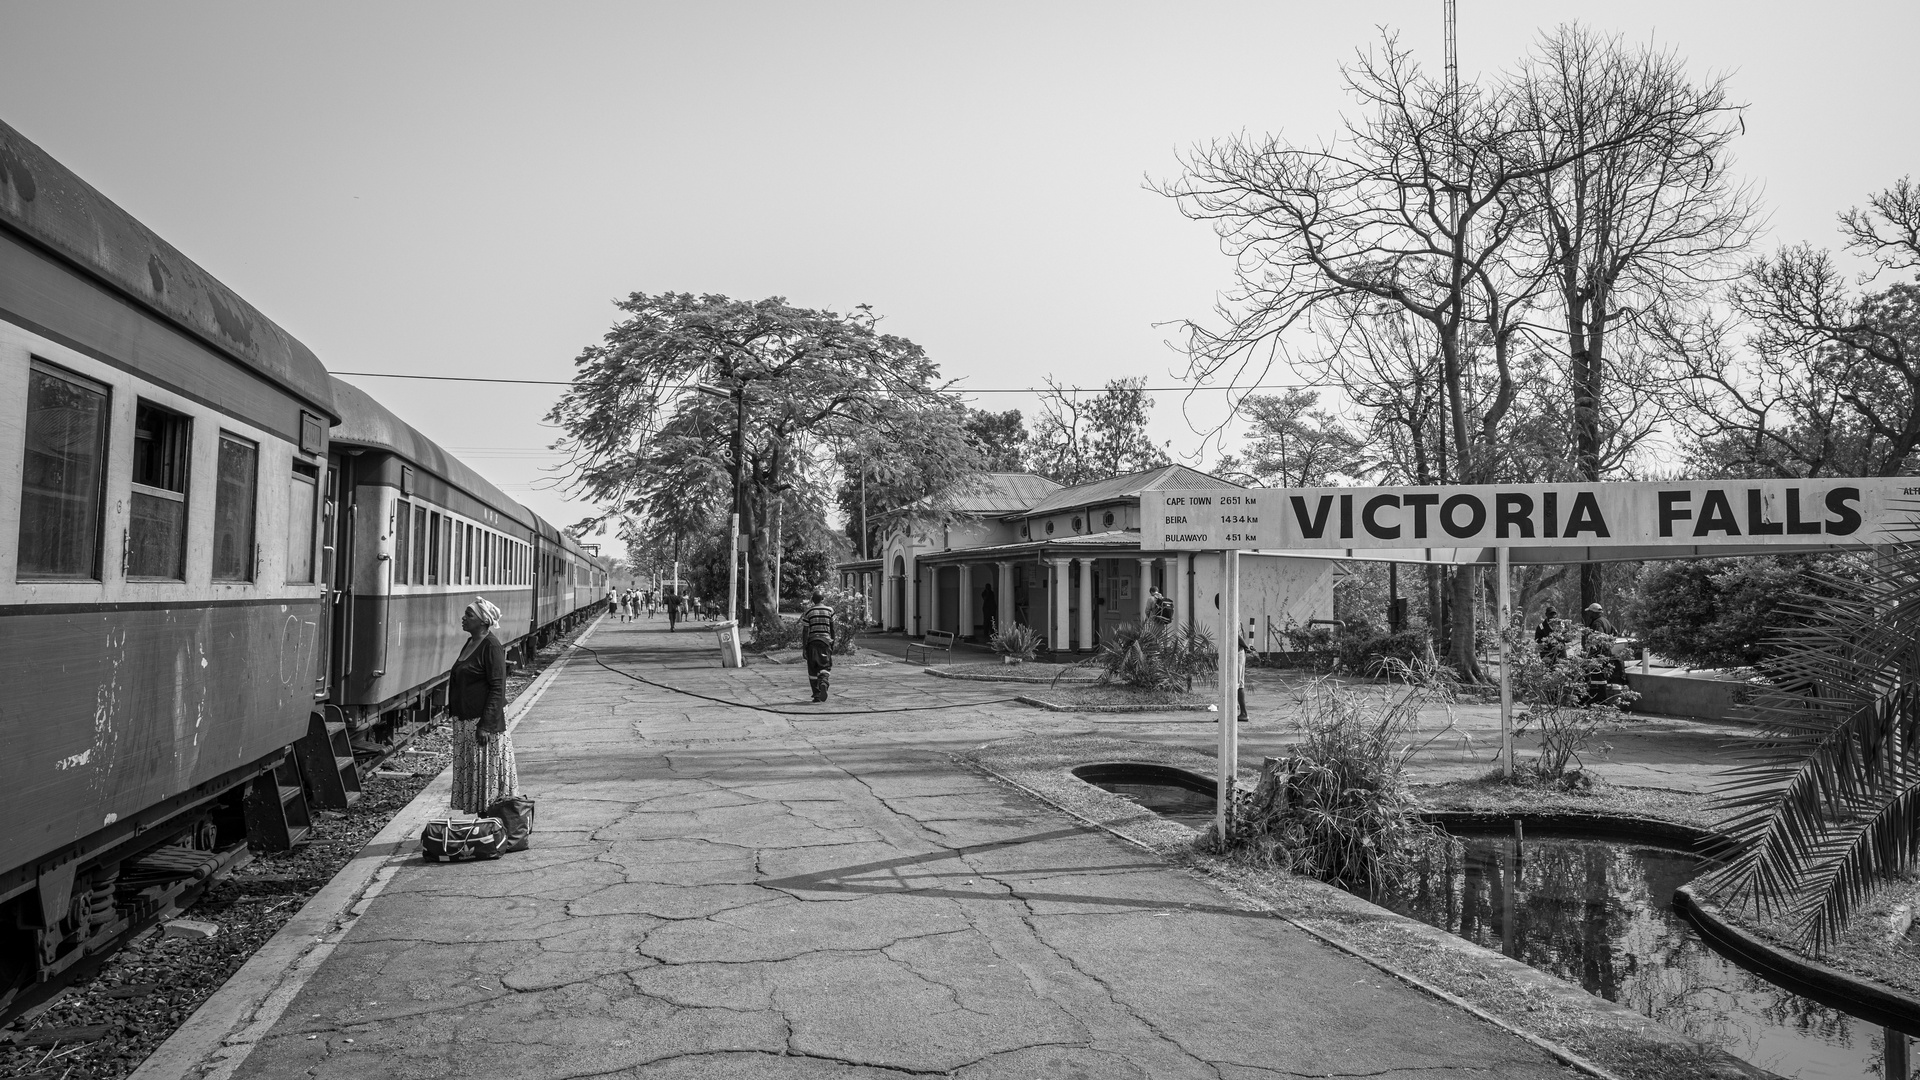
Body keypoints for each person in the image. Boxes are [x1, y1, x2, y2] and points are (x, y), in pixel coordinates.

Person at [448, 597, 520, 815]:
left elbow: (498, 688)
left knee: (487, 776)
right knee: (478, 775)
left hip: (483, 724)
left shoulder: (491, 646)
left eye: (469, 615)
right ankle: (485, 823)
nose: (463, 618)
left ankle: (494, 823)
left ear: (483, 621)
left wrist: (486, 726)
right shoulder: (472, 642)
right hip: (468, 722)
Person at [802, 589, 836, 702]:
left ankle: (816, 694)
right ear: (823, 599)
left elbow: (805, 631)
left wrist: (804, 647)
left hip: (812, 642)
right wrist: (833, 642)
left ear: (812, 600)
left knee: (812, 669)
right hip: (825, 642)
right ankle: (823, 683)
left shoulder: (808, 612)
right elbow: (832, 628)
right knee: (825, 666)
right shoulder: (830, 611)